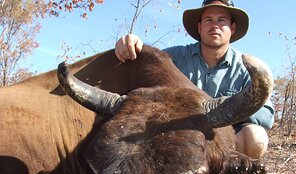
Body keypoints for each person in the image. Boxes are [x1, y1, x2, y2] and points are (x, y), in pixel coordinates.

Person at [114, 0, 274, 160]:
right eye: (208, 20)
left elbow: (266, 114)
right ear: (200, 27)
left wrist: (225, 113)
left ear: (232, 28)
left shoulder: (246, 66)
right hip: (180, 131)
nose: (214, 25)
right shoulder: (174, 57)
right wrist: (131, 45)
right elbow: (146, 64)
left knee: (256, 138)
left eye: (221, 20)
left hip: (229, 137)